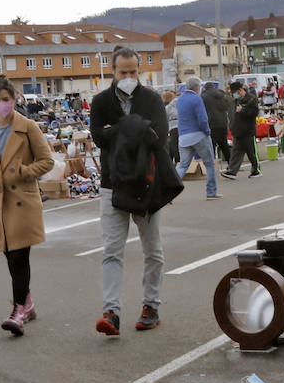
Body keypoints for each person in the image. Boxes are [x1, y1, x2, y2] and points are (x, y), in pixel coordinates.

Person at [90, 47, 171, 336]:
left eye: (133, 72)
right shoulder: (100, 101)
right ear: (113, 72)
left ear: (140, 71)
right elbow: (99, 137)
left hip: (147, 185)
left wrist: (120, 129)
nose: (128, 77)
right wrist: (134, 128)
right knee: (112, 251)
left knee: (153, 249)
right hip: (112, 185)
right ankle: (110, 312)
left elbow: (160, 136)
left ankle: (151, 305)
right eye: (123, 72)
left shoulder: (151, 99)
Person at [0, 76, 53, 335]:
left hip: (22, 201)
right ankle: (27, 303)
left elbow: (46, 161)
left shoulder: (28, 127)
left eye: (6, 99)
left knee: (19, 256)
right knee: (10, 256)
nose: (2, 105)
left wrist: (23, 171)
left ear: (15, 99)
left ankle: (17, 311)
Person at [175, 77, 220, 199]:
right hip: (198, 135)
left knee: (183, 166)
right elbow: (203, 119)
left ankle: (168, 192)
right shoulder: (196, 99)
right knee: (209, 164)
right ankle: (211, 192)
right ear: (197, 87)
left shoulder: (179, 100)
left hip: (183, 137)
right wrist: (207, 131)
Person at [223, 80, 261, 178]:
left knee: (251, 152)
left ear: (240, 90)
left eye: (235, 93)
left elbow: (254, 112)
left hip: (248, 131)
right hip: (237, 131)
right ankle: (232, 171)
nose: (234, 95)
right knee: (236, 152)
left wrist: (243, 110)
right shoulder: (235, 101)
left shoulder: (251, 99)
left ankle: (256, 170)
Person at [201, 79, 232, 163]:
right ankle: (231, 165)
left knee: (211, 146)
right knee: (224, 144)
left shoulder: (203, 96)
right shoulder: (222, 95)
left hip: (211, 124)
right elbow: (227, 106)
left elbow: (201, 110)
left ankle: (213, 167)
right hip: (223, 123)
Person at [162, 88, 180, 166]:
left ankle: (175, 162)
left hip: (171, 128)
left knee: (172, 146)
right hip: (181, 127)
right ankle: (179, 162)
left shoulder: (166, 107)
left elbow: (163, 119)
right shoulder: (178, 103)